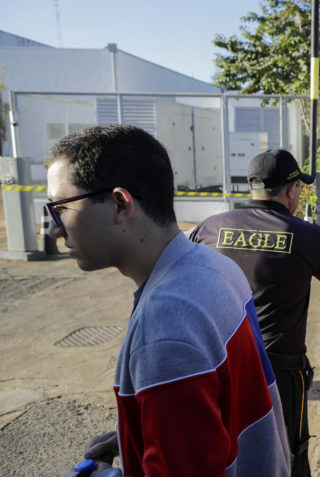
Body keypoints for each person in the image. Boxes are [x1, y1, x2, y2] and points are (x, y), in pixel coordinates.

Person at [46, 125, 290, 476]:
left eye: (60, 208)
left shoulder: (164, 326)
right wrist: (140, 432)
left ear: (119, 203)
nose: (55, 228)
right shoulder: (214, 265)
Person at [188, 148, 320, 477]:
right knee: (287, 451)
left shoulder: (211, 228)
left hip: (219, 361)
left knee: (228, 446)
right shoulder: (308, 235)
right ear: (291, 189)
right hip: (279, 369)